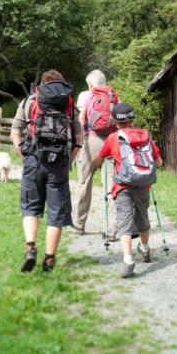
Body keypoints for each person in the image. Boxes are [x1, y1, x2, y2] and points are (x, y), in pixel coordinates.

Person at [11, 70, 83, 273]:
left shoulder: (30, 100)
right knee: (56, 214)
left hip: (33, 160)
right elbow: (79, 135)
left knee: (30, 208)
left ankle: (31, 246)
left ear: (42, 84)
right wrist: (70, 160)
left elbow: (15, 130)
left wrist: (22, 154)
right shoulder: (69, 104)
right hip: (59, 163)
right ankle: (49, 259)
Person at [92, 103, 162, 279]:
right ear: (133, 120)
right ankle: (145, 249)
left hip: (122, 186)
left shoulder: (113, 138)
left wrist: (96, 163)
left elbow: (98, 159)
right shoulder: (145, 136)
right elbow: (159, 162)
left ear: (115, 123)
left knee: (125, 221)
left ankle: (129, 260)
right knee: (143, 217)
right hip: (143, 185)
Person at [72, 70, 118, 237]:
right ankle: (112, 230)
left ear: (90, 84)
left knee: (84, 182)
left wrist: (79, 142)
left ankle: (78, 224)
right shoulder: (112, 95)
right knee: (111, 185)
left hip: (91, 141)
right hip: (111, 142)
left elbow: (81, 118)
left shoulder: (85, 95)